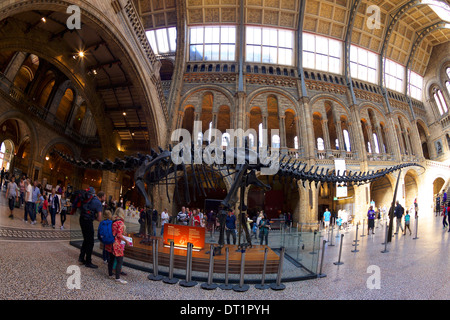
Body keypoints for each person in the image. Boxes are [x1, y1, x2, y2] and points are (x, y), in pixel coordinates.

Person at [79, 188, 105, 269]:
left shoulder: (92, 198)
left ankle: (81, 257)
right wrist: (96, 218)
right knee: (90, 242)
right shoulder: (98, 203)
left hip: (82, 219)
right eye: (105, 197)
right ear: (102, 197)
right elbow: (100, 217)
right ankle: (88, 261)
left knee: (86, 239)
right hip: (88, 221)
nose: (105, 198)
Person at [106, 207, 132, 284]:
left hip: (110, 242)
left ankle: (110, 274)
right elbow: (119, 235)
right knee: (119, 260)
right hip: (116, 243)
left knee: (111, 259)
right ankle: (117, 278)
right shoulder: (120, 222)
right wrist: (126, 240)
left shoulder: (113, 221)